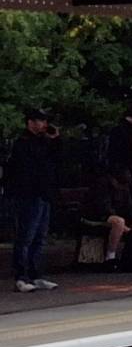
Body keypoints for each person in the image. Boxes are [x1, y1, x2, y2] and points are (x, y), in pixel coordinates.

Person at [7, 109, 61, 292]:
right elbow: (25, 167)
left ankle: (36, 274)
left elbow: (57, 159)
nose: (43, 125)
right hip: (28, 194)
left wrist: (55, 141)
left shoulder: (44, 142)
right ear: (30, 122)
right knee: (25, 236)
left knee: (40, 237)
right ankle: (21, 276)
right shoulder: (22, 143)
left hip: (44, 193)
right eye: (39, 121)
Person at [82, 169, 132, 265]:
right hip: (97, 216)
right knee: (118, 222)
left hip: (118, 216)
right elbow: (103, 207)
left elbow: (130, 206)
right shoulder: (102, 185)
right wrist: (124, 225)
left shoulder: (124, 188)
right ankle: (110, 256)